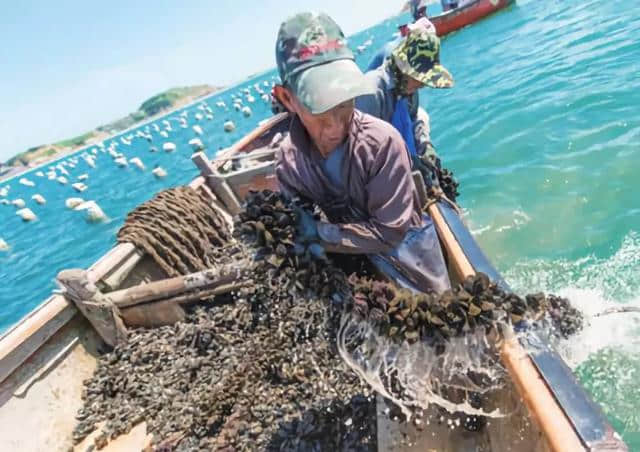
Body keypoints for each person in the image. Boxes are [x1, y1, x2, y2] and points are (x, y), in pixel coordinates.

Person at [272, 11, 450, 294]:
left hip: (411, 251)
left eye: (344, 104)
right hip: (357, 257)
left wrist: (319, 233)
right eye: (319, 108)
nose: (334, 128)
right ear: (286, 98)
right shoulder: (288, 163)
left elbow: (390, 232)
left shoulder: (382, 143)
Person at [356, 28, 453, 189]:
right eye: (419, 77)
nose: (422, 84)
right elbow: (360, 153)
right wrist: (404, 163)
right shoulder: (371, 92)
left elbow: (414, 119)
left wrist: (425, 145)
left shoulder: (408, 89)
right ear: (402, 69)